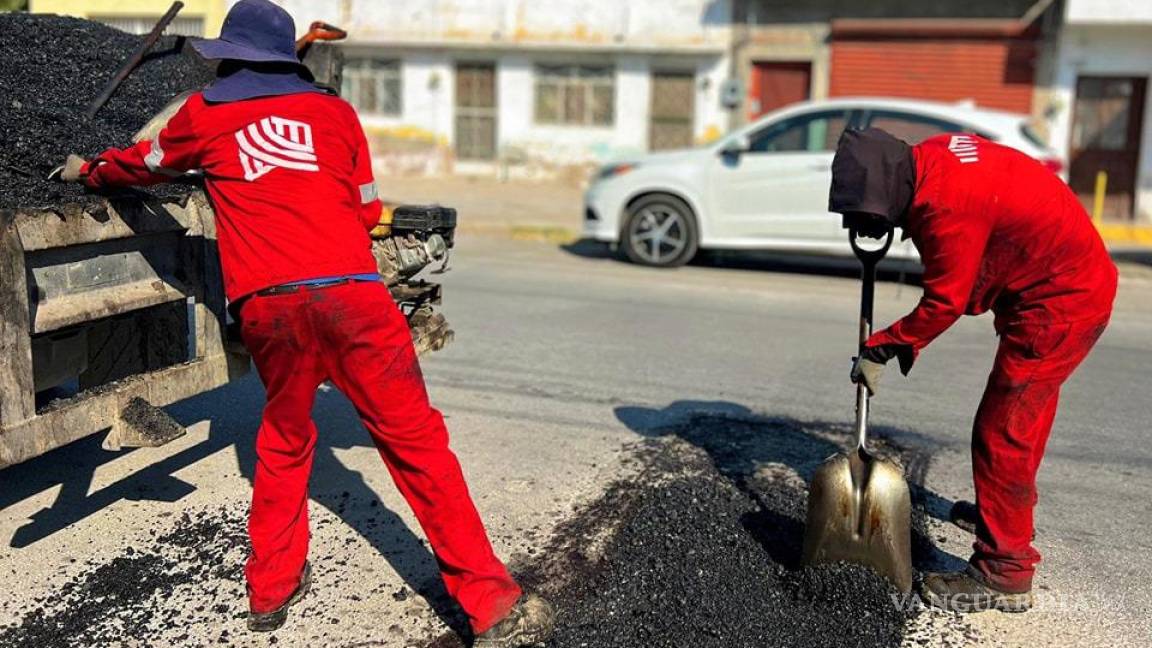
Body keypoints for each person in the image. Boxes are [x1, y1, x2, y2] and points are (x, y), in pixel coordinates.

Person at [57, 1, 553, 644]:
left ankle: (270, 589)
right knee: (420, 447)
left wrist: (88, 172)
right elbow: (367, 208)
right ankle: (487, 601)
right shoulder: (337, 114)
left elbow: (144, 164)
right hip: (354, 298)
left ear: (228, 57)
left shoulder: (204, 115)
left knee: (285, 441)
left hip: (272, 308)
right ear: (287, 57)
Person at [829, 128, 1117, 613]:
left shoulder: (946, 209)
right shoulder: (932, 155)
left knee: (1003, 432)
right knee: (1024, 420)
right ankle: (1002, 517)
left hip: (1060, 305)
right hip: (1065, 284)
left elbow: (947, 300)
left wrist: (883, 346)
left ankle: (1004, 572)